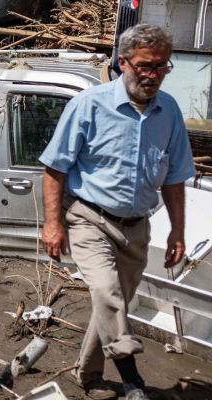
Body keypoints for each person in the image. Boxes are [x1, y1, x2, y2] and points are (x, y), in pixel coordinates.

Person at [39, 24, 195, 400]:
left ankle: (89, 375)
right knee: (108, 294)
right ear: (122, 62)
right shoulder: (88, 105)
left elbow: (174, 178)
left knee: (110, 306)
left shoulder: (168, 112)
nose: (152, 74)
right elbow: (54, 168)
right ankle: (131, 378)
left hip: (137, 227)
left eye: (160, 66)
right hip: (89, 218)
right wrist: (52, 224)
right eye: (144, 65)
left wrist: (177, 232)